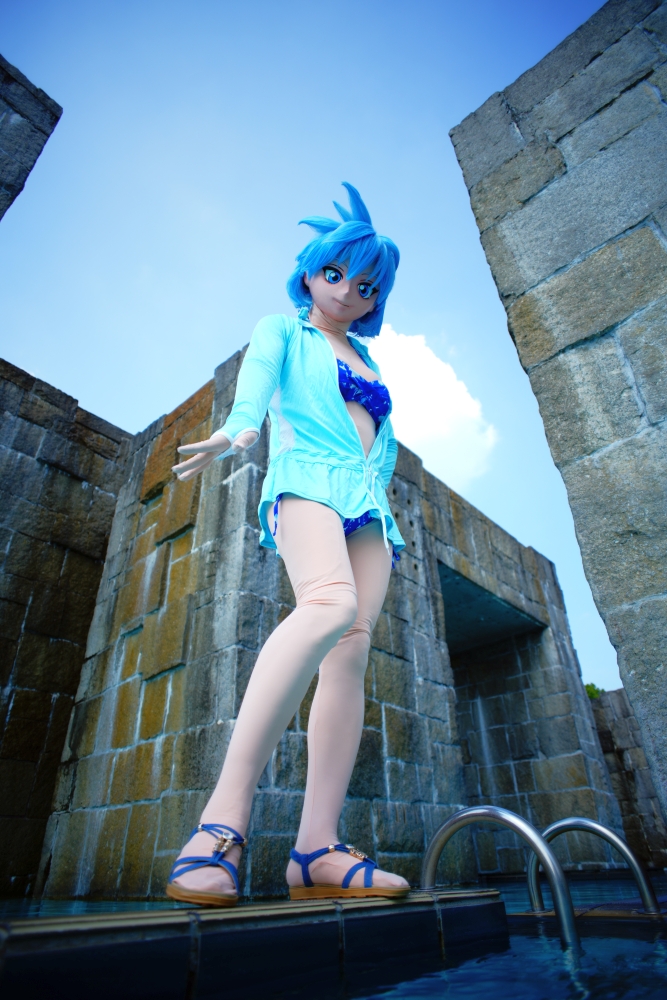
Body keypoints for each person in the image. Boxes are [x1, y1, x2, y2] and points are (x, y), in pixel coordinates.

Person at [167, 183, 409, 907]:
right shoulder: (282, 329)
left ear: (374, 300)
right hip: (307, 479)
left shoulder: (368, 362)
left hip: (369, 506)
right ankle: (220, 821)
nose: (345, 292)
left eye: (364, 286)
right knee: (328, 605)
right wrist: (237, 428)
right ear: (310, 271)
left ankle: (316, 849)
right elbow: (257, 387)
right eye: (335, 273)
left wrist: (376, 495)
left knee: (352, 650)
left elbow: (378, 444)